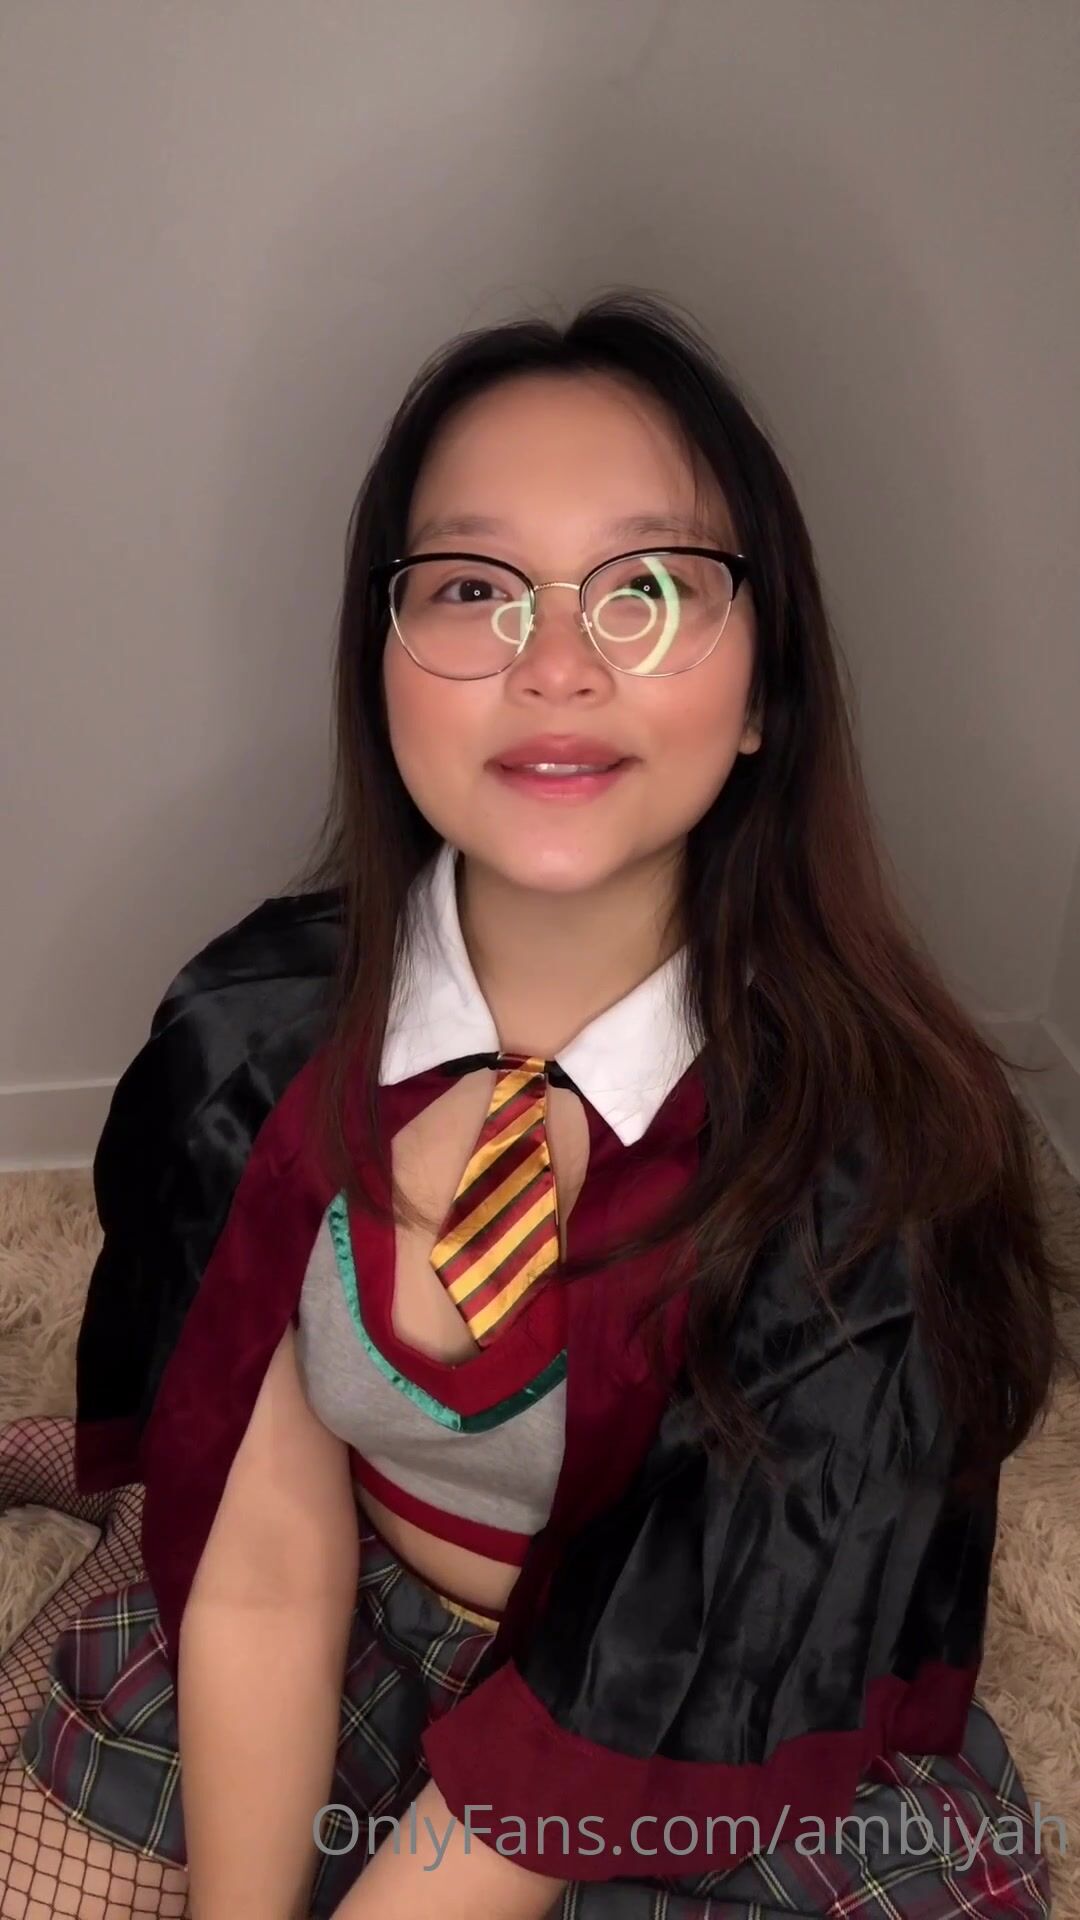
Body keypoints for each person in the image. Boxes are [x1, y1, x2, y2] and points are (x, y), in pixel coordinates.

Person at [0, 290, 1070, 1920]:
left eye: (648, 590)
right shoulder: (250, 1036)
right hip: (368, 1612)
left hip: (706, 1703)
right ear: (385, 670)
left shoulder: (878, 1166)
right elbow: (269, 1554)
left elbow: (677, 1667)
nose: (556, 665)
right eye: (473, 590)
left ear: (763, 693)